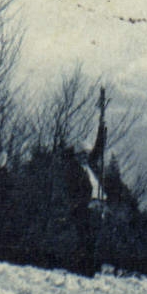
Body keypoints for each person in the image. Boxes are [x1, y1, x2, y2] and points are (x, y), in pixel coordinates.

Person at [64, 116, 108, 277]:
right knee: (85, 238)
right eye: (82, 154)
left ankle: (89, 268)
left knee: (93, 238)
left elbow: (98, 150)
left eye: (87, 154)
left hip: (97, 206)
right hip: (84, 208)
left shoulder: (90, 166)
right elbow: (74, 193)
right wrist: (86, 203)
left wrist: (102, 130)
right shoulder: (73, 171)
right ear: (77, 155)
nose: (85, 157)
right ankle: (82, 269)